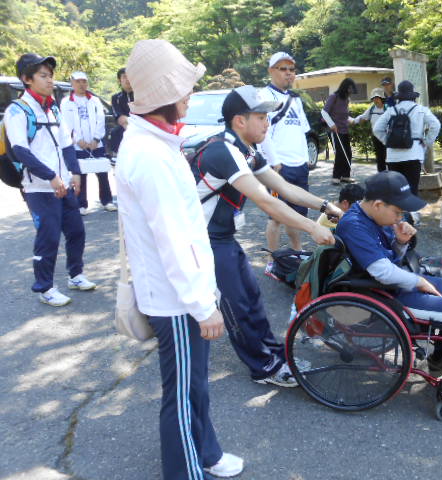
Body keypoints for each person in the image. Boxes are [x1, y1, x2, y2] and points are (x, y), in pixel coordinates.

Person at [115, 39, 243, 479]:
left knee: (194, 387)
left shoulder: (156, 141)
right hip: (176, 298)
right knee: (184, 393)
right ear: (165, 96)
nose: (190, 96)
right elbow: (174, 237)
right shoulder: (150, 154)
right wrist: (201, 303)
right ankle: (186, 470)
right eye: (185, 88)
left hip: (178, 292)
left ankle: (207, 453)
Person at [194, 85, 343, 388]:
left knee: (251, 296)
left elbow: (285, 188)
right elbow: (267, 200)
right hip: (203, 240)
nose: (267, 123)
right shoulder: (223, 151)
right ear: (239, 121)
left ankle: (274, 354)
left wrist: (326, 206)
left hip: (223, 237)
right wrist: (312, 227)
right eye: (261, 117)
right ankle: (264, 368)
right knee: (236, 305)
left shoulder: (247, 151)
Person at [336, 170, 442, 389]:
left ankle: (441, 357)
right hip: (381, 295)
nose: (400, 218)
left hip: (393, 284)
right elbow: (381, 272)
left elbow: (389, 259)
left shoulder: (375, 218)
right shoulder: (355, 225)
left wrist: (400, 242)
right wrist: (419, 281)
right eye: (397, 212)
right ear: (378, 205)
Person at [5, 53, 96, 307]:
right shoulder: (18, 110)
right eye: (43, 76)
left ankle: (75, 275)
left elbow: (66, 144)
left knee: (76, 231)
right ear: (27, 79)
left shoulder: (53, 107)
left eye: (50, 75)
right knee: (49, 238)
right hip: (38, 187)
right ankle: (45, 287)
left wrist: (74, 172)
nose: (50, 81)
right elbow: (20, 150)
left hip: (63, 183)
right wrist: (51, 176)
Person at [260, 52, 311, 260]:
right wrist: (274, 162)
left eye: (291, 69)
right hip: (279, 167)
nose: (288, 73)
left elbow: (303, 130)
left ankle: (297, 252)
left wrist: (306, 158)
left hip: (300, 164)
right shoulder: (264, 96)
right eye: (283, 69)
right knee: (276, 215)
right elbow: (263, 133)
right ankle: (273, 259)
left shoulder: (295, 99)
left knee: (298, 214)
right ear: (271, 71)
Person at [60, 71, 116, 215]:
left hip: (96, 144)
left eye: (84, 81)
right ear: (72, 83)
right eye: (78, 81)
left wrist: (96, 139)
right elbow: (66, 124)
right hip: (77, 145)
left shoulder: (94, 100)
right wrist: (78, 141)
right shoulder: (66, 102)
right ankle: (81, 204)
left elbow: (100, 119)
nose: (81, 84)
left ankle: (107, 201)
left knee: (102, 172)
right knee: (80, 174)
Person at [373, 80, 441, 196]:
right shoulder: (421, 110)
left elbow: (377, 129)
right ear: (412, 95)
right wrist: (426, 142)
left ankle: (397, 213)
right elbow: (436, 125)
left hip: (393, 156)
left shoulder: (391, 110)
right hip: (413, 154)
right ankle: (412, 213)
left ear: (399, 96)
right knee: (412, 189)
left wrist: (387, 141)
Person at [322, 78, 357, 184]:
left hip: (344, 130)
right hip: (335, 130)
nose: (351, 92)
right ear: (345, 87)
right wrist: (332, 125)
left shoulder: (346, 99)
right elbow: (324, 112)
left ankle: (345, 176)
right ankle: (336, 176)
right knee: (340, 153)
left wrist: (353, 120)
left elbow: (344, 115)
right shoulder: (334, 97)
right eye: (350, 89)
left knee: (348, 153)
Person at [353, 87, 387, 172]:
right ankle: (381, 175)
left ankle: (391, 175)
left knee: (389, 157)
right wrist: (354, 121)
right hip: (376, 137)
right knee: (379, 157)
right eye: (374, 98)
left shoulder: (387, 108)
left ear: (382, 98)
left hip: (387, 136)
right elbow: (363, 117)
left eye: (377, 98)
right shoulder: (372, 109)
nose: (375, 100)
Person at [109, 67, 133, 154]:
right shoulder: (116, 98)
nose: (128, 80)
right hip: (125, 128)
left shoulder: (141, 96)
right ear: (119, 80)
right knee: (115, 132)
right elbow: (120, 119)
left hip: (142, 127)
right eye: (124, 77)